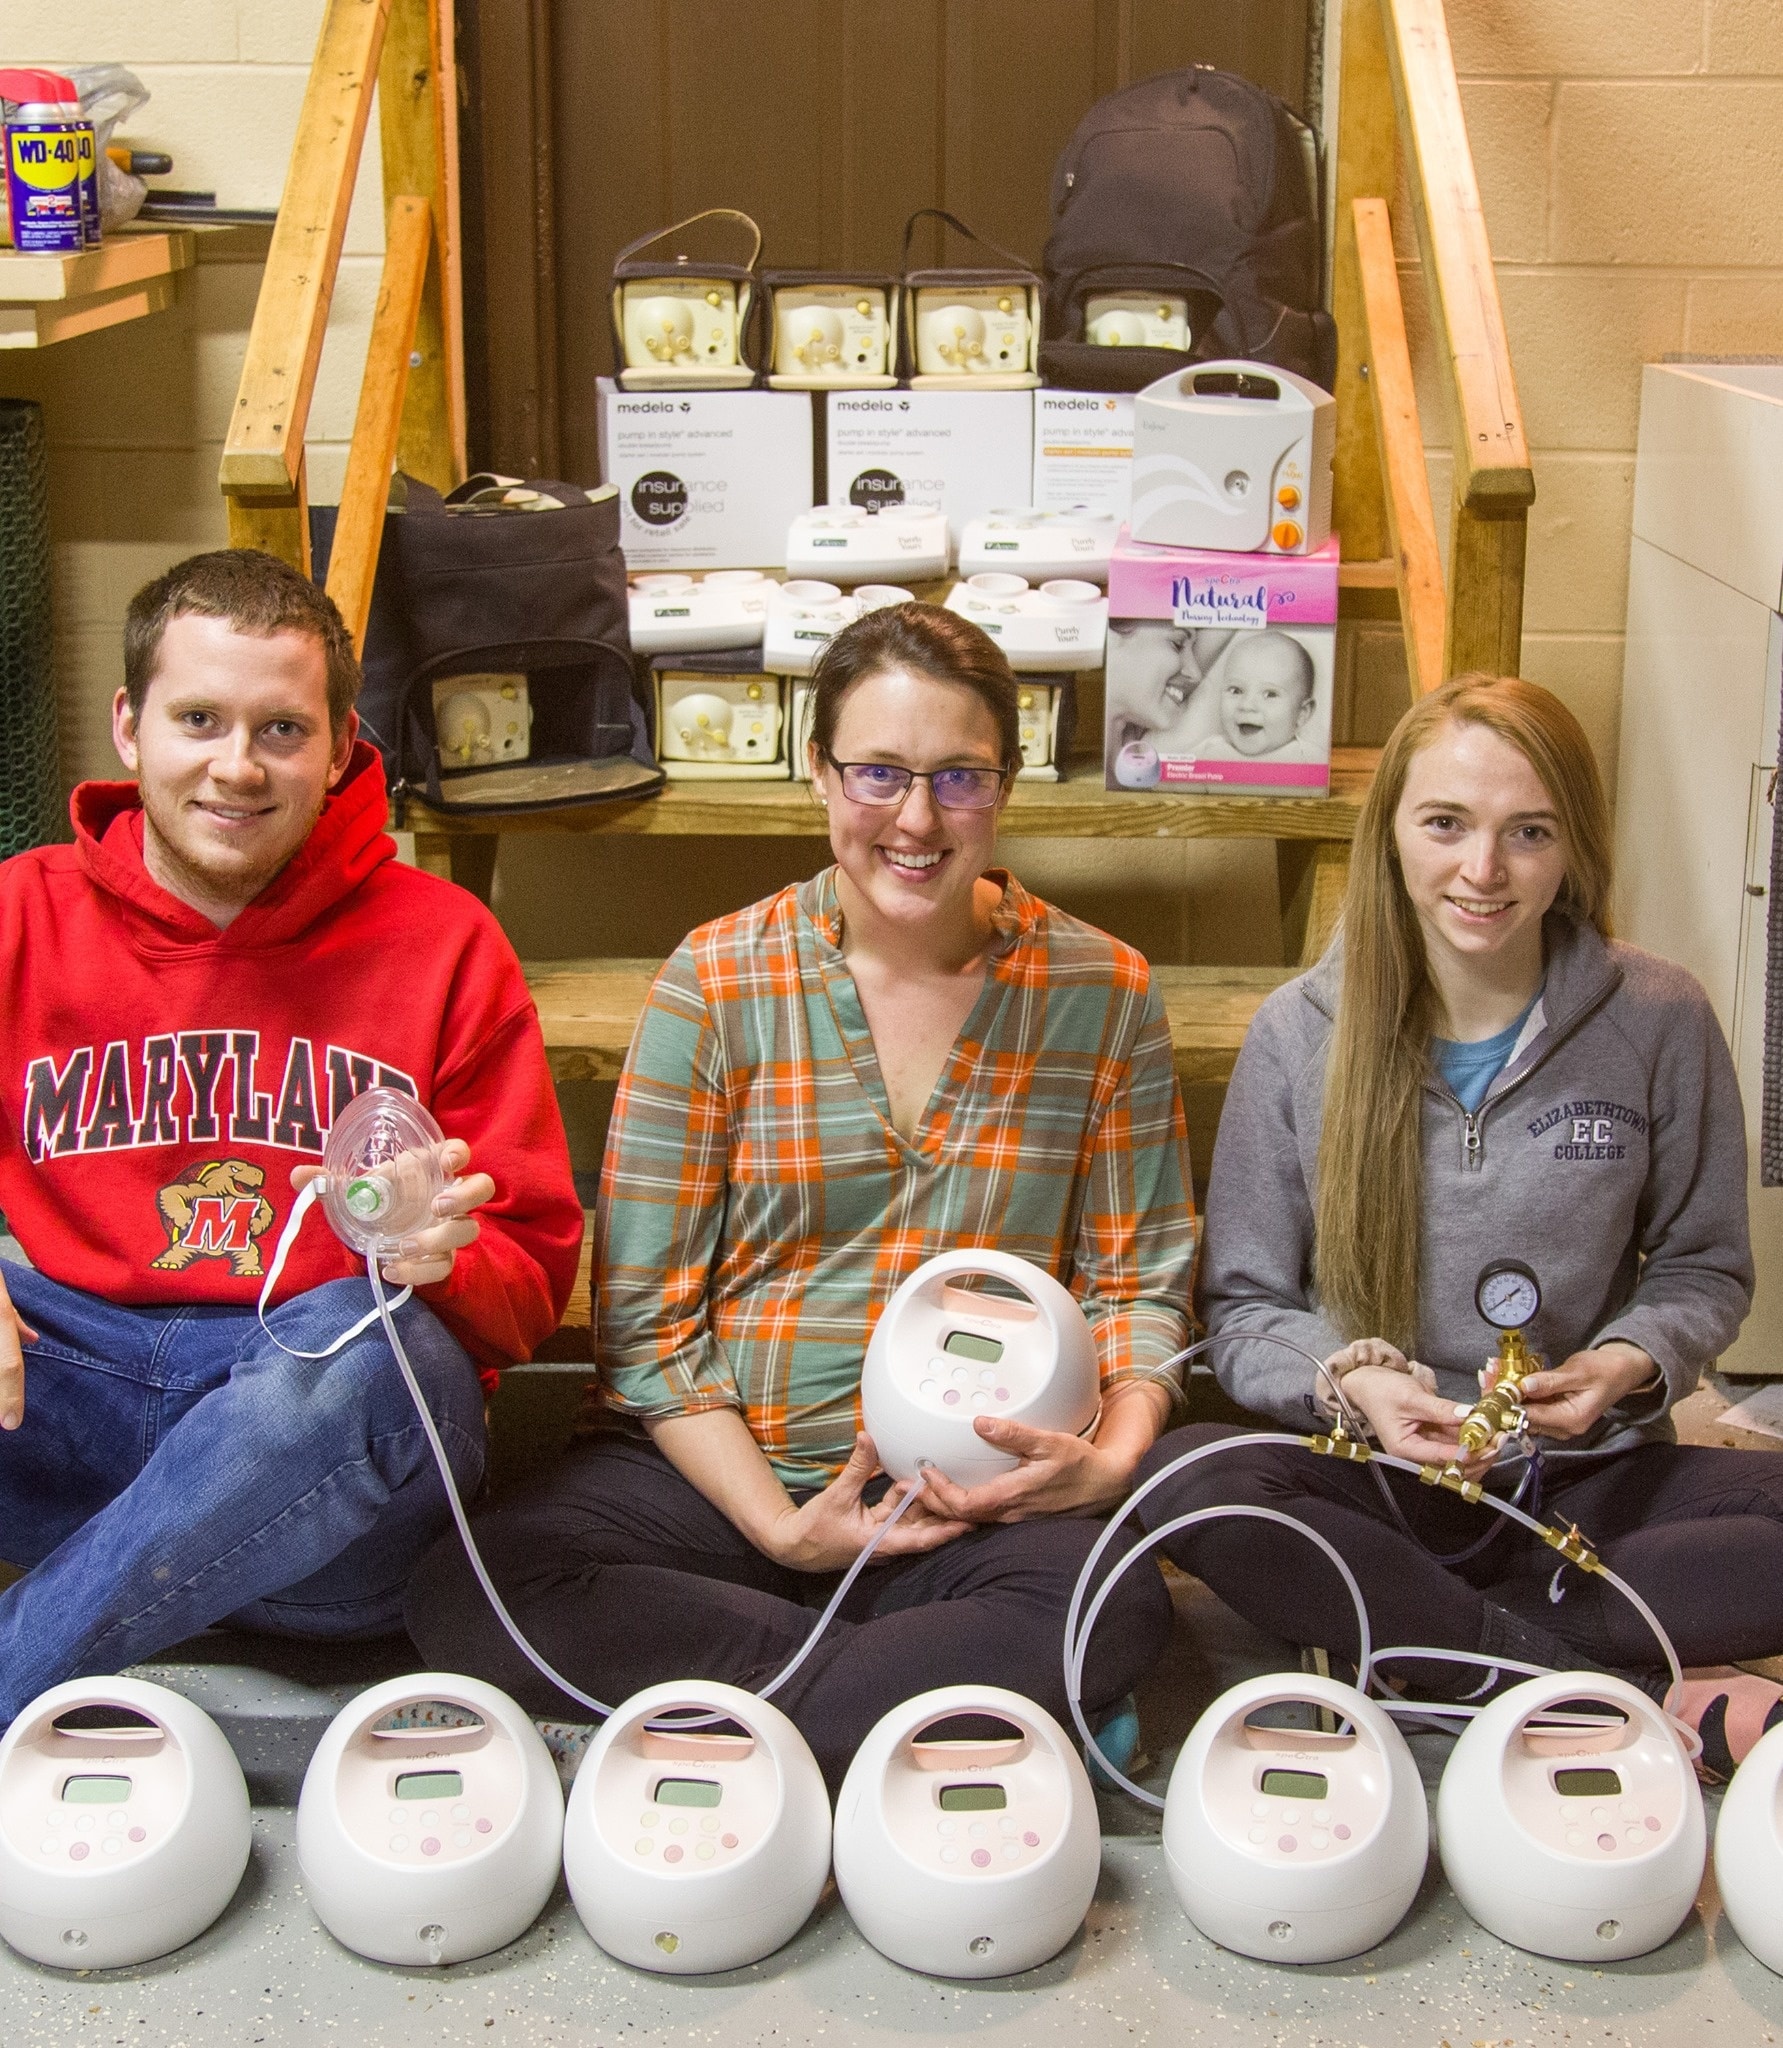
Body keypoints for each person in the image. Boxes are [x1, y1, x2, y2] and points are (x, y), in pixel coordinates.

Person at [408, 602, 1195, 1783]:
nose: (917, 819)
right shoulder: (716, 979)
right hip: (734, 1490)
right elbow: (649, 1332)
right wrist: (780, 1526)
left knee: (1123, 1602)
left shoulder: (1105, 989)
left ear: (1006, 783)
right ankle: (924, 1699)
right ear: (818, 769)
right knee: (466, 1586)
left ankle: (757, 1714)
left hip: (973, 1507)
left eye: (959, 777)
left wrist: (1111, 1459)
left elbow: (1138, 1290)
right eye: (878, 771)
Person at [1132, 672, 1783, 1777]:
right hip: (1371, 1475)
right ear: (1389, 831)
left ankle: (1411, 1645)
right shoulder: (1299, 1033)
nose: (1482, 871)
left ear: (1573, 842)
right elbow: (1243, 1311)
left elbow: (1704, 1265)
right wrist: (1350, 1383)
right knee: (1187, 1479)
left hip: (1579, 1477)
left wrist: (1626, 1361)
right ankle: (1605, 1681)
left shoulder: (1658, 1015)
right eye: (1445, 824)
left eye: (1527, 831)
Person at [0, 549, 583, 1724]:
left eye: (280, 729)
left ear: (336, 744)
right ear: (129, 723)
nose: (237, 765)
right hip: (86, 1416)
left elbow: (528, 1290)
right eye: (200, 718)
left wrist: (439, 1258)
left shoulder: (444, 942)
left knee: (374, 1347)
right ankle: (121, 1594)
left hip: (329, 1491)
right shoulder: (19, 912)